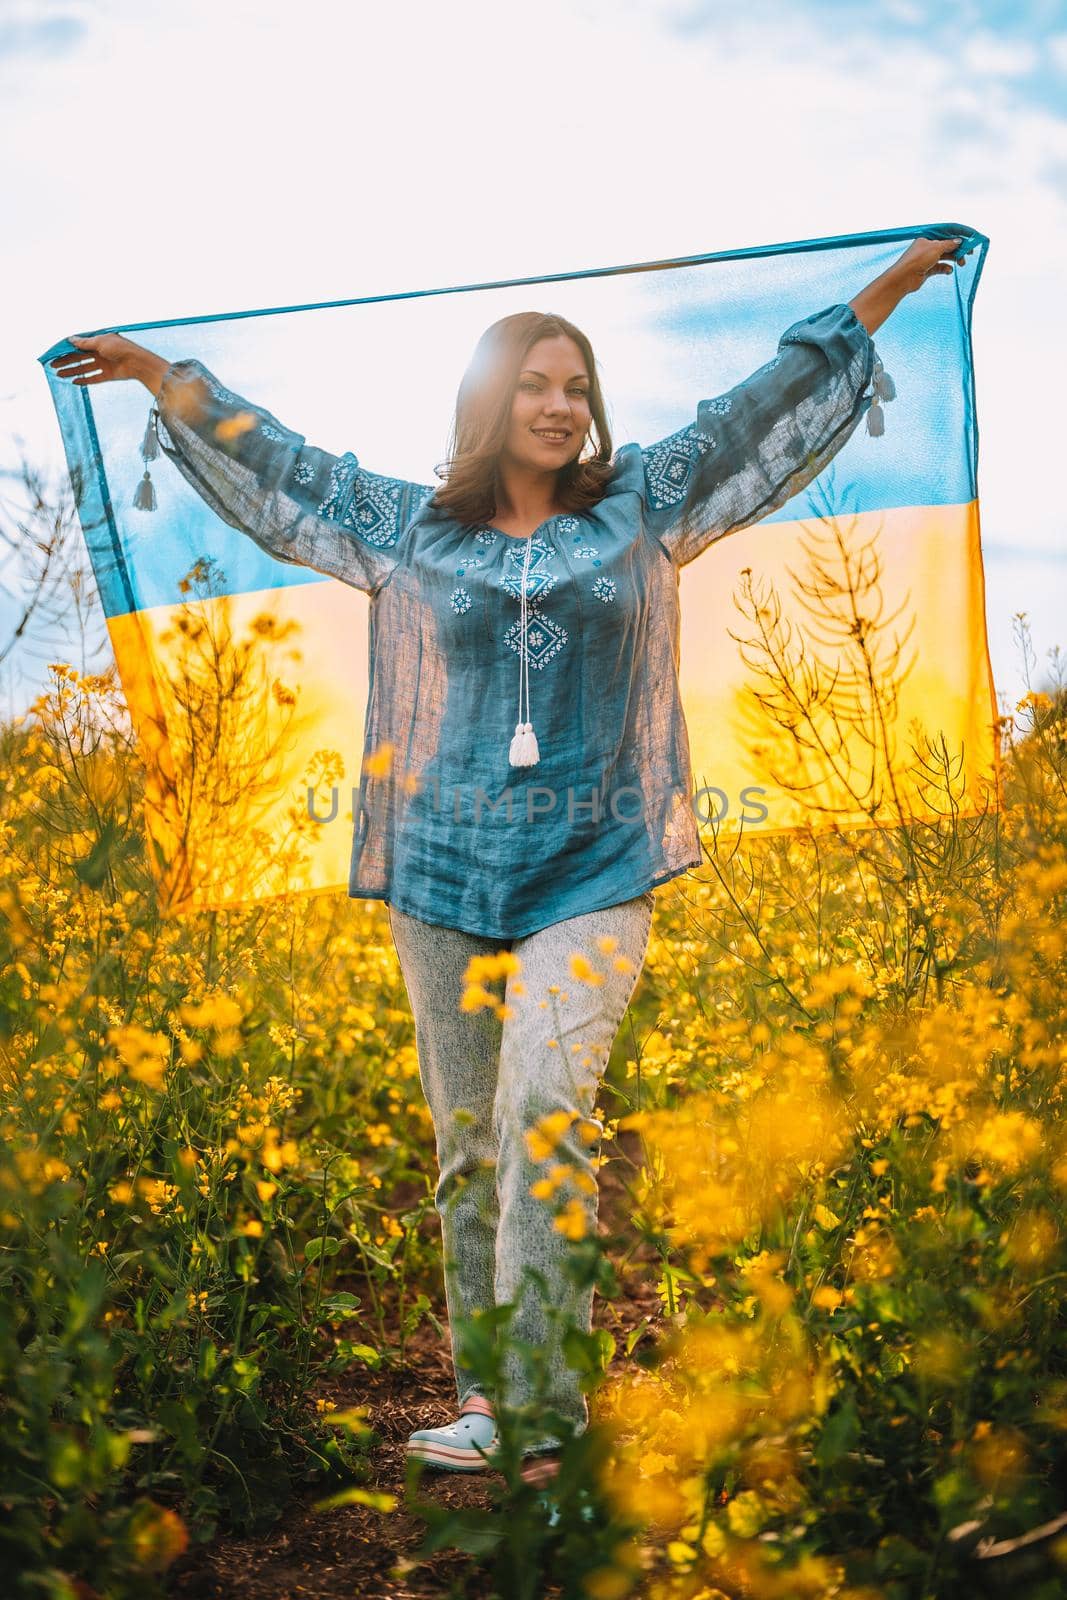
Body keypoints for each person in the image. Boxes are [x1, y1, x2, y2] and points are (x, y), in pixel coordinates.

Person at [50, 234, 967, 1493]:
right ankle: (487, 1387)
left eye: (576, 386)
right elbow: (278, 458)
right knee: (467, 1144)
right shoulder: (402, 529)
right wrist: (162, 372)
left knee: (543, 1111)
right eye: (535, 384)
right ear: (489, 402)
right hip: (438, 871)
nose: (559, 405)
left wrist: (885, 288)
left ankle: (544, 1411)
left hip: (597, 860)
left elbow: (766, 397)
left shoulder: (645, 498)